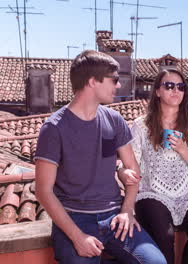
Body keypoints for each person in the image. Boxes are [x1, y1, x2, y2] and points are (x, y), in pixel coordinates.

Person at [34, 50, 166, 264]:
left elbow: (133, 170)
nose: (118, 86)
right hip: (74, 218)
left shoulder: (114, 120)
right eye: (114, 80)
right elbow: (43, 190)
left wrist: (127, 211)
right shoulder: (54, 128)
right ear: (93, 81)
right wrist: (77, 237)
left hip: (114, 216)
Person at [120, 69, 188, 264]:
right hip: (152, 191)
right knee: (164, 235)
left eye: (180, 87)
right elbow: (130, 162)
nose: (175, 91)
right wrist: (123, 172)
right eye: (169, 86)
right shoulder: (141, 125)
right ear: (158, 92)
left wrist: (184, 149)